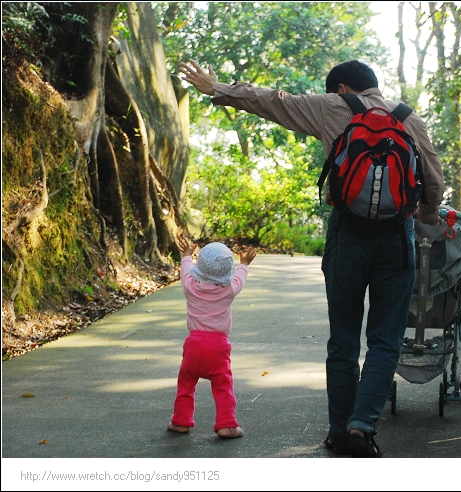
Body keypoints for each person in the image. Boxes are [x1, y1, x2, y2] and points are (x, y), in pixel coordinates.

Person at [179, 59, 444, 457]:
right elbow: (434, 184)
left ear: (341, 88)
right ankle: (362, 425)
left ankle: (339, 431)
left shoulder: (332, 107)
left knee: (343, 339)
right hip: (395, 240)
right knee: (385, 340)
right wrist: (421, 216)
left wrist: (219, 89)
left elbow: (274, 101)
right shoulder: (409, 118)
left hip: (347, 238)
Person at [168, 235, 257, 439]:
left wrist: (187, 255)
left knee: (185, 385)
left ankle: (181, 421)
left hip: (193, 345)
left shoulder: (189, 286)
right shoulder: (229, 290)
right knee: (223, 387)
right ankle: (226, 425)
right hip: (218, 347)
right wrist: (244, 264)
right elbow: (240, 279)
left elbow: (184, 272)